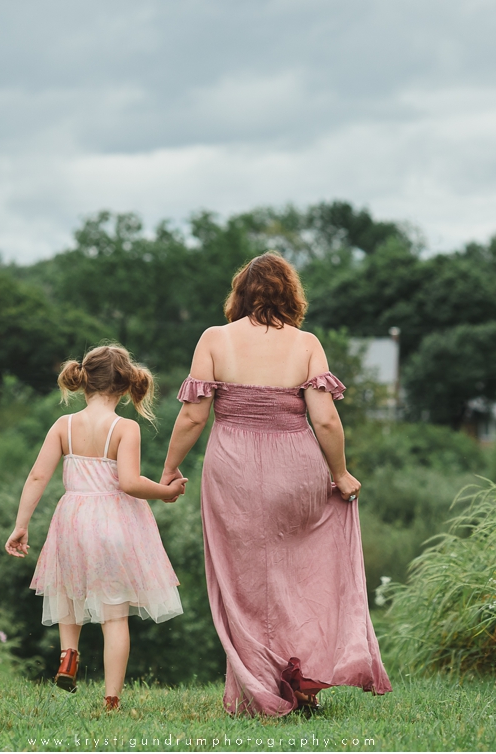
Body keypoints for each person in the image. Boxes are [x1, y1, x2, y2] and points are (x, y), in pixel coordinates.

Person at [159, 252, 392, 717]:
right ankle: (302, 676)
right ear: (291, 295)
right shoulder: (306, 344)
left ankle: (262, 684)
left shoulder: (214, 339)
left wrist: (168, 469)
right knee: (304, 574)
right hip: (298, 469)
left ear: (239, 294)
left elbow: (192, 415)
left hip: (234, 472)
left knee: (243, 581)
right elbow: (324, 419)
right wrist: (341, 473)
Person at [6, 344, 187, 712]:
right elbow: (131, 483)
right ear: (124, 386)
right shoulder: (125, 428)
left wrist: (21, 525)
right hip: (113, 523)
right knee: (114, 614)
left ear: (83, 382)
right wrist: (166, 492)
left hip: (71, 518)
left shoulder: (64, 425)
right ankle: (111, 697)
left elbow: (38, 475)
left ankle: (68, 655)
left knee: (69, 595)